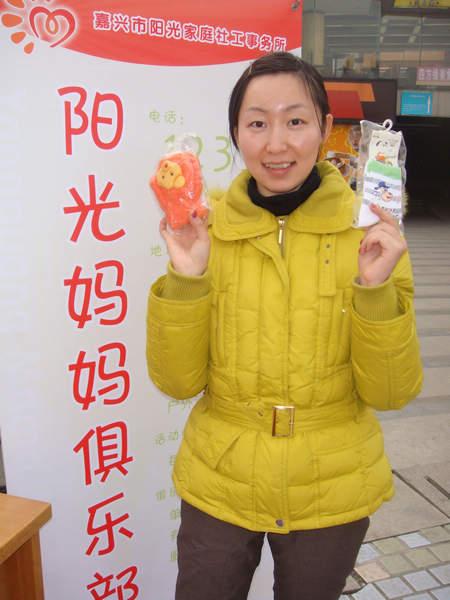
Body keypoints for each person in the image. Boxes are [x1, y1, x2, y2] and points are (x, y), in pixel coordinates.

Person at [146, 52, 423, 600]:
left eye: (295, 121)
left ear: (325, 128)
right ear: (235, 134)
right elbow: (177, 382)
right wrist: (187, 276)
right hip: (220, 479)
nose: (276, 144)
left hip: (332, 485)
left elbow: (391, 393)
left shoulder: (370, 234)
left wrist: (374, 289)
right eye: (257, 123)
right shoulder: (206, 228)